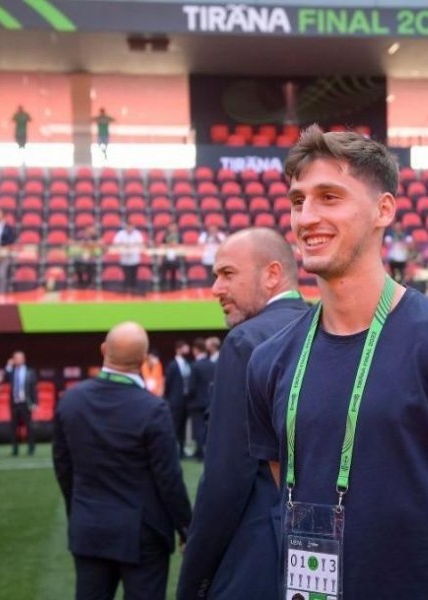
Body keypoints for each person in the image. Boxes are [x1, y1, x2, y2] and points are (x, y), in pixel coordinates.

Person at [247, 126, 428, 598]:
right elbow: (290, 494)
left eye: (329, 197)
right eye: (298, 200)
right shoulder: (270, 361)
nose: (306, 216)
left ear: (384, 209)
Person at [178, 227, 308, 600]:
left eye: (228, 274)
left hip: (260, 555)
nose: (216, 288)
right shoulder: (330, 327)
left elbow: (224, 480)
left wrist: (193, 581)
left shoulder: (245, 341)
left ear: (272, 274)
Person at [53, 322, 192, 600]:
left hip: (90, 526)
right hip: (143, 535)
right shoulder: (153, 409)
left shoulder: (71, 401)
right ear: (143, 361)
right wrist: (187, 528)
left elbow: (63, 468)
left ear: (104, 350)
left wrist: (79, 509)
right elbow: (169, 479)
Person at [4, 351, 37, 456]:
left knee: (29, 427)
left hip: (26, 403)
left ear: (23, 359)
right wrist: (9, 365)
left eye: (19, 358)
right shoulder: (12, 371)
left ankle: (31, 449)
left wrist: (34, 403)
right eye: (15, 358)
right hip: (14, 403)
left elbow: (34, 389)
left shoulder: (30, 372)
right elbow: (5, 379)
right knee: (13, 428)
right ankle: (15, 450)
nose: (17, 360)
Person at [187, 338, 215, 461]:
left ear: (196, 350)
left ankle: (201, 453)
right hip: (210, 401)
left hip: (196, 403)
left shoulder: (194, 366)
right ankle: (204, 451)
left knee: (198, 428)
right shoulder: (212, 364)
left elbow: (191, 386)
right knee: (207, 428)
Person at [164, 340, 193, 454]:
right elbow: (168, 384)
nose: (186, 350)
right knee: (175, 425)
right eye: (184, 347)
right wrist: (169, 399)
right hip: (175, 401)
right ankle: (172, 450)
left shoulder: (188, 363)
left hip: (186, 400)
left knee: (183, 426)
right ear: (178, 349)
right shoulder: (172, 365)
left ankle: (181, 449)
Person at [113, 222, 145, 294]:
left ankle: (134, 289)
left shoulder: (137, 234)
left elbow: (141, 244)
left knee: (134, 274)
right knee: (126, 275)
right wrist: (123, 246)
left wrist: (133, 246)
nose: (130, 229)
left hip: (134, 258)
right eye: (128, 227)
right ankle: (126, 289)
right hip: (124, 258)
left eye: (131, 227)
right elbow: (116, 243)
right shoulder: (120, 234)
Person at [160, 223, 181, 291]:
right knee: (163, 275)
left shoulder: (179, 236)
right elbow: (162, 247)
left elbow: (182, 246)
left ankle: (173, 289)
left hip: (175, 258)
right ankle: (163, 288)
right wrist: (161, 258)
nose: (173, 228)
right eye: (172, 227)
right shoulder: (165, 236)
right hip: (166, 258)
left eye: (174, 227)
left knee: (173, 275)